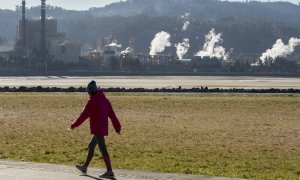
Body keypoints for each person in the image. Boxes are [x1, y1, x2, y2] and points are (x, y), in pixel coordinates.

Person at [70, 80, 121, 178]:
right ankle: (84, 167)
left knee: (102, 148)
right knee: (91, 145)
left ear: (91, 91)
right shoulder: (105, 100)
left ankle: (109, 172)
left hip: (97, 128)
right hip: (102, 127)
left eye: (88, 92)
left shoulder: (92, 101)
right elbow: (112, 115)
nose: (88, 94)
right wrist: (117, 127)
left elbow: (83, 115)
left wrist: (74, 125)